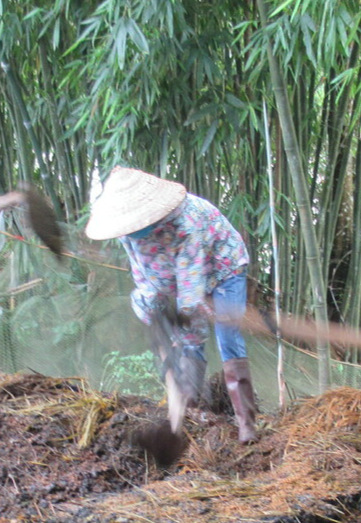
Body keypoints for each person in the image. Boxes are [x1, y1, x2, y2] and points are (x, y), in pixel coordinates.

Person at [84, 166, 260, 443]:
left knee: (227, 336)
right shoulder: (126, 231)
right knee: (187, 342)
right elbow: (143, 277)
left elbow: (190, 292)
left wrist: (182, 316)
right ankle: (187, 415)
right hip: (179, 283)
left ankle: (246, 424)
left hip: (223, 270)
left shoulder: (185, 224)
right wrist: (154, 318)